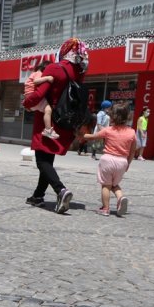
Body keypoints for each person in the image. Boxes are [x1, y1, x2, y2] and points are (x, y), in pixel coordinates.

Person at [22, 37, 89, 214]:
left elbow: (40, 93)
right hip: (65, 121)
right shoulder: (79, 72)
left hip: (48, 120)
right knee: (48, 159)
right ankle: (38, 196)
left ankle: (61, 190)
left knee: (42, 161)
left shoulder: (55, 68)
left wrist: (26, 103)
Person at [80, 103, 136, 216]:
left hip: (108, 160)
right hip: (122, 162)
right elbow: (132, 151)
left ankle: (105, 208)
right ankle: (121, 198)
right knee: (114, 184)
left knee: (106, 185)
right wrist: (128, 164)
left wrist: (79, 133)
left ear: (112, 117)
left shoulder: (108, 130)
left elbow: (91, 137)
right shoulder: (132, 132)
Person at [23, 61, 57, 139]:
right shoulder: (38, 73)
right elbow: (36, 81)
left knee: (46, 111)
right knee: (48, 109)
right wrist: (47, 78)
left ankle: (48, 129)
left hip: (30, 98)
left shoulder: (34, 73)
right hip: (33, 95)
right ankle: (48, 130)